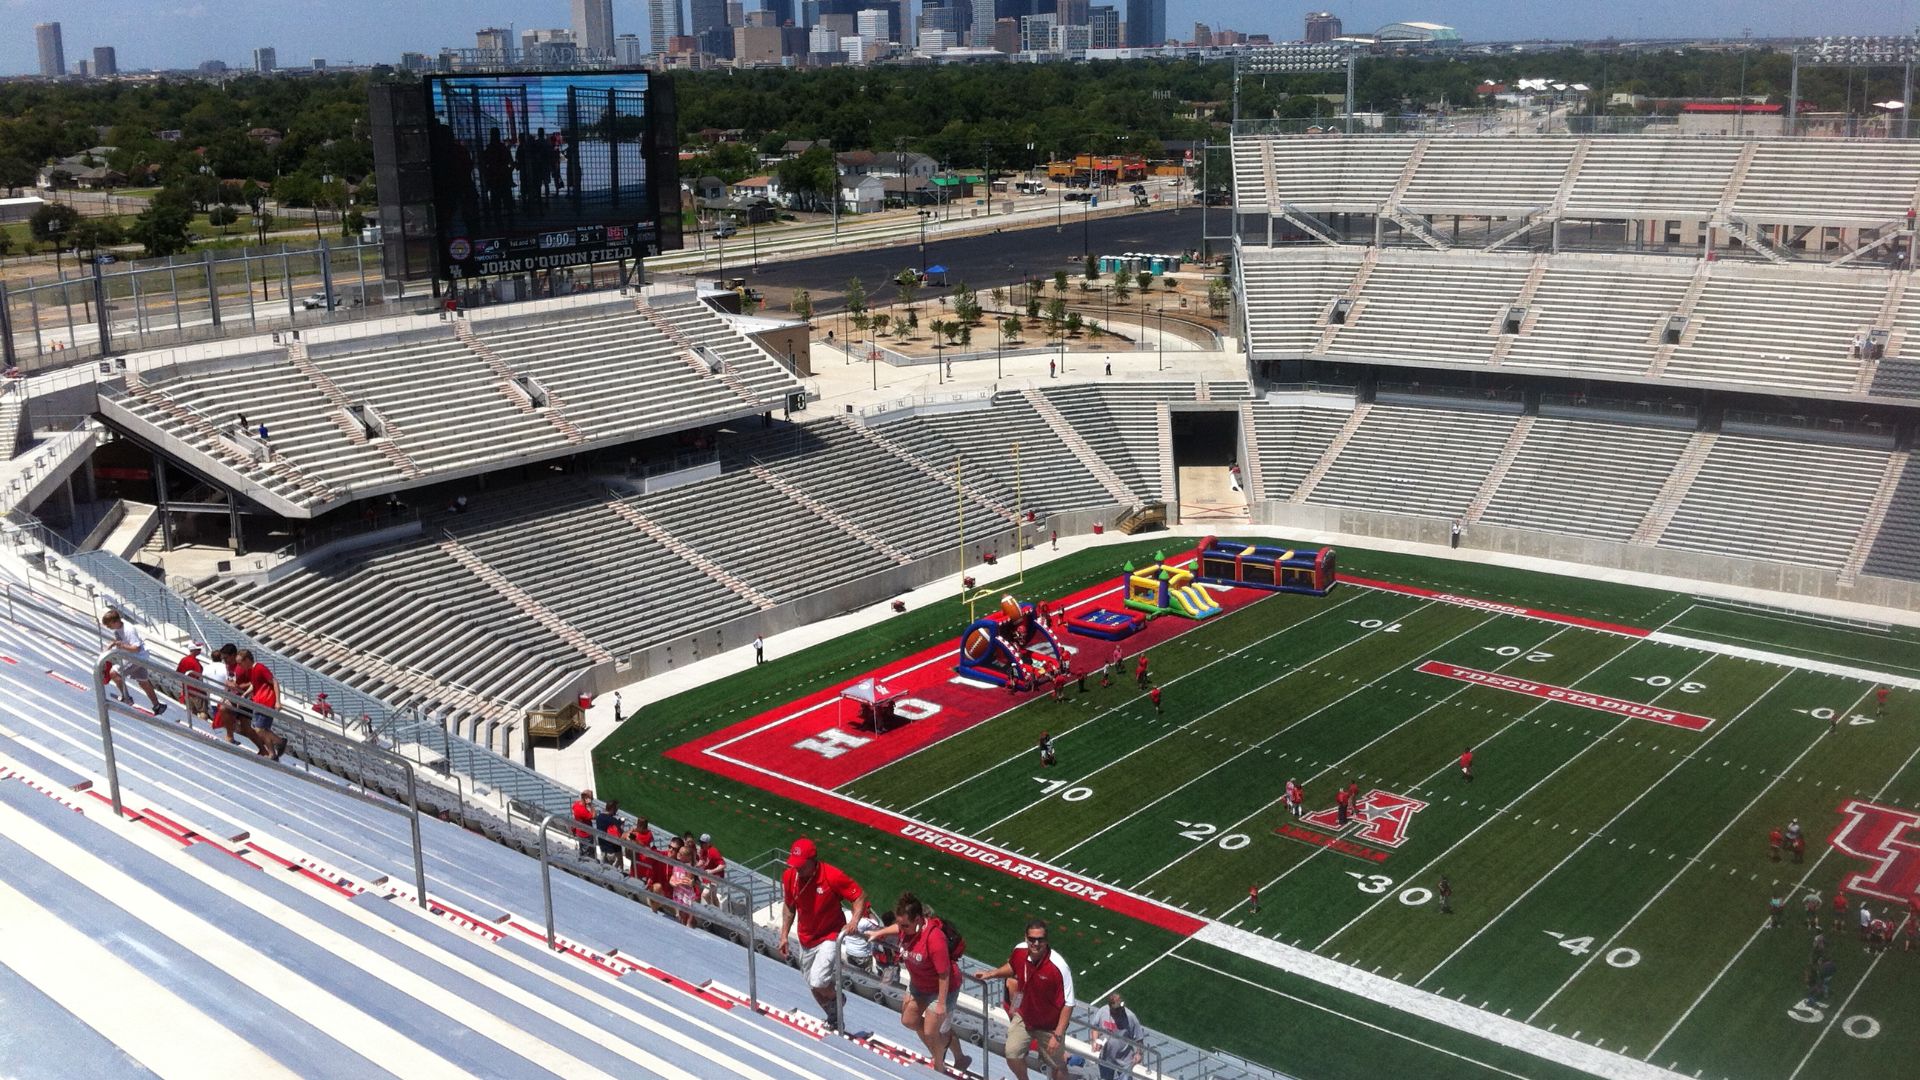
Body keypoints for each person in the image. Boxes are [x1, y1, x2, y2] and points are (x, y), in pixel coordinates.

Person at [867, 892, 969, 1073]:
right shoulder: (906, 928)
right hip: (920, 984)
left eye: (905, 925)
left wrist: (941, 1004)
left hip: (941, 988)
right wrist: (879, 933)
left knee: (931, 1032)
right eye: (899, 924)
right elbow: (897, 929)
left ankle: (939, 1067)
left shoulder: (934, 938)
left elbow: (944, 974)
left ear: (918, 920)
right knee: (909, 1020)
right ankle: (942, 1044)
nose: (901, 928)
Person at [778, 837, 868, 1031]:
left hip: (829, 935)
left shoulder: (831, 876)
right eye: (795, 865)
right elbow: (789, 907)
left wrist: (854, 921)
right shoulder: (790, 877)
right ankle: (834, 1019)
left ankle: (838, 999)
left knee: (818, 980)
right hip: (805, 937)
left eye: (801, 865)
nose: (797, 869)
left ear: (813, 861)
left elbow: (859, 896)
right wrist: (784, 935)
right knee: (812, 985)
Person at [972, 918, 1071, 1080]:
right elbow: (1012, 970)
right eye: (1032, 939)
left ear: (1046, 941)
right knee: (1013, 1053)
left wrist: (1058, 1034)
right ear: (1026, 938)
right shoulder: (1019, 955)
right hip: (1023, 1017)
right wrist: (991, 974)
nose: (1036, 943)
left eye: (1040, 940)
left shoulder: (1058, 966)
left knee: (1057, 1064)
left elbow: (1068, 1003)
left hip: (1048, 1024)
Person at [101, 610, 166, 717]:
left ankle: (127, 698)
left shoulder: (129, 629)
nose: (108, 627)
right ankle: (157, 706)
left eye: (109, 625)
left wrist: (121, 645)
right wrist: (112, 645)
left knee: (114, 673)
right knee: (143, 682)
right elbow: (119, 642)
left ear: (114, 621)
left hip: (137, 657)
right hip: (137, 657)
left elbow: (136, 648)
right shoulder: (118, 629)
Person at [1091, 992, 1145, 1080]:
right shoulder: (1102, 1011)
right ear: (1110, 1006)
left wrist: (1139, 1053)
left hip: (1125, 1061)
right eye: (1116, 1009)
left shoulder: (1130, 1017)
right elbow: (1095, 1027)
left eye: (1120, 1008)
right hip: (1106, 1058)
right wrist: (1095, 1041)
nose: (1119, 1011)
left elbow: (1139, 1038)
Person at [248, 661, 287, 760]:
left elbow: (274, 681)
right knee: (264, 730)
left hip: (266, 702)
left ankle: (280, 741)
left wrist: (278, 701)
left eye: (240, 663)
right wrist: (244, 695)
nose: (239, 666)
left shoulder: (260, 667)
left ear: (246, 660)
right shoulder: (251, 670)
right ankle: (272, 754)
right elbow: (254, 685)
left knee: (259, 729)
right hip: (258, 701)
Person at [176, 643, 208, 719]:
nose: (200, 651)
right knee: (202, 711)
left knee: (191, 711)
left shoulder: (184, 659)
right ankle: (204, 727)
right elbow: (199, 676)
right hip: (197, 690)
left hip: (187, 689)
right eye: (198, 650)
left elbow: (178, 673)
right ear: (194, 650)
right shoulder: (195, 662)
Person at [595, 799, 624, 869]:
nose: (617, 810)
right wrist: (621, 823)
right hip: (613, 850)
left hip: (603, 847)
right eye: (616, 809)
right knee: (616, 869)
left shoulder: (599, 817)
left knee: (604, 868)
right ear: (612, 809)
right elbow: (620, 834)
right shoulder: (613, 821)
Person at [571, 790, 596, 859]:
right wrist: (591, 805)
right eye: (591, 798)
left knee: (582, 850)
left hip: (579, 832)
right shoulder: (582, 810)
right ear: (586, 798)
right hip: (586, 834)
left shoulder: (576, 804)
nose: (592, 799)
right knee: (588, 854)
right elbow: (594, 816)